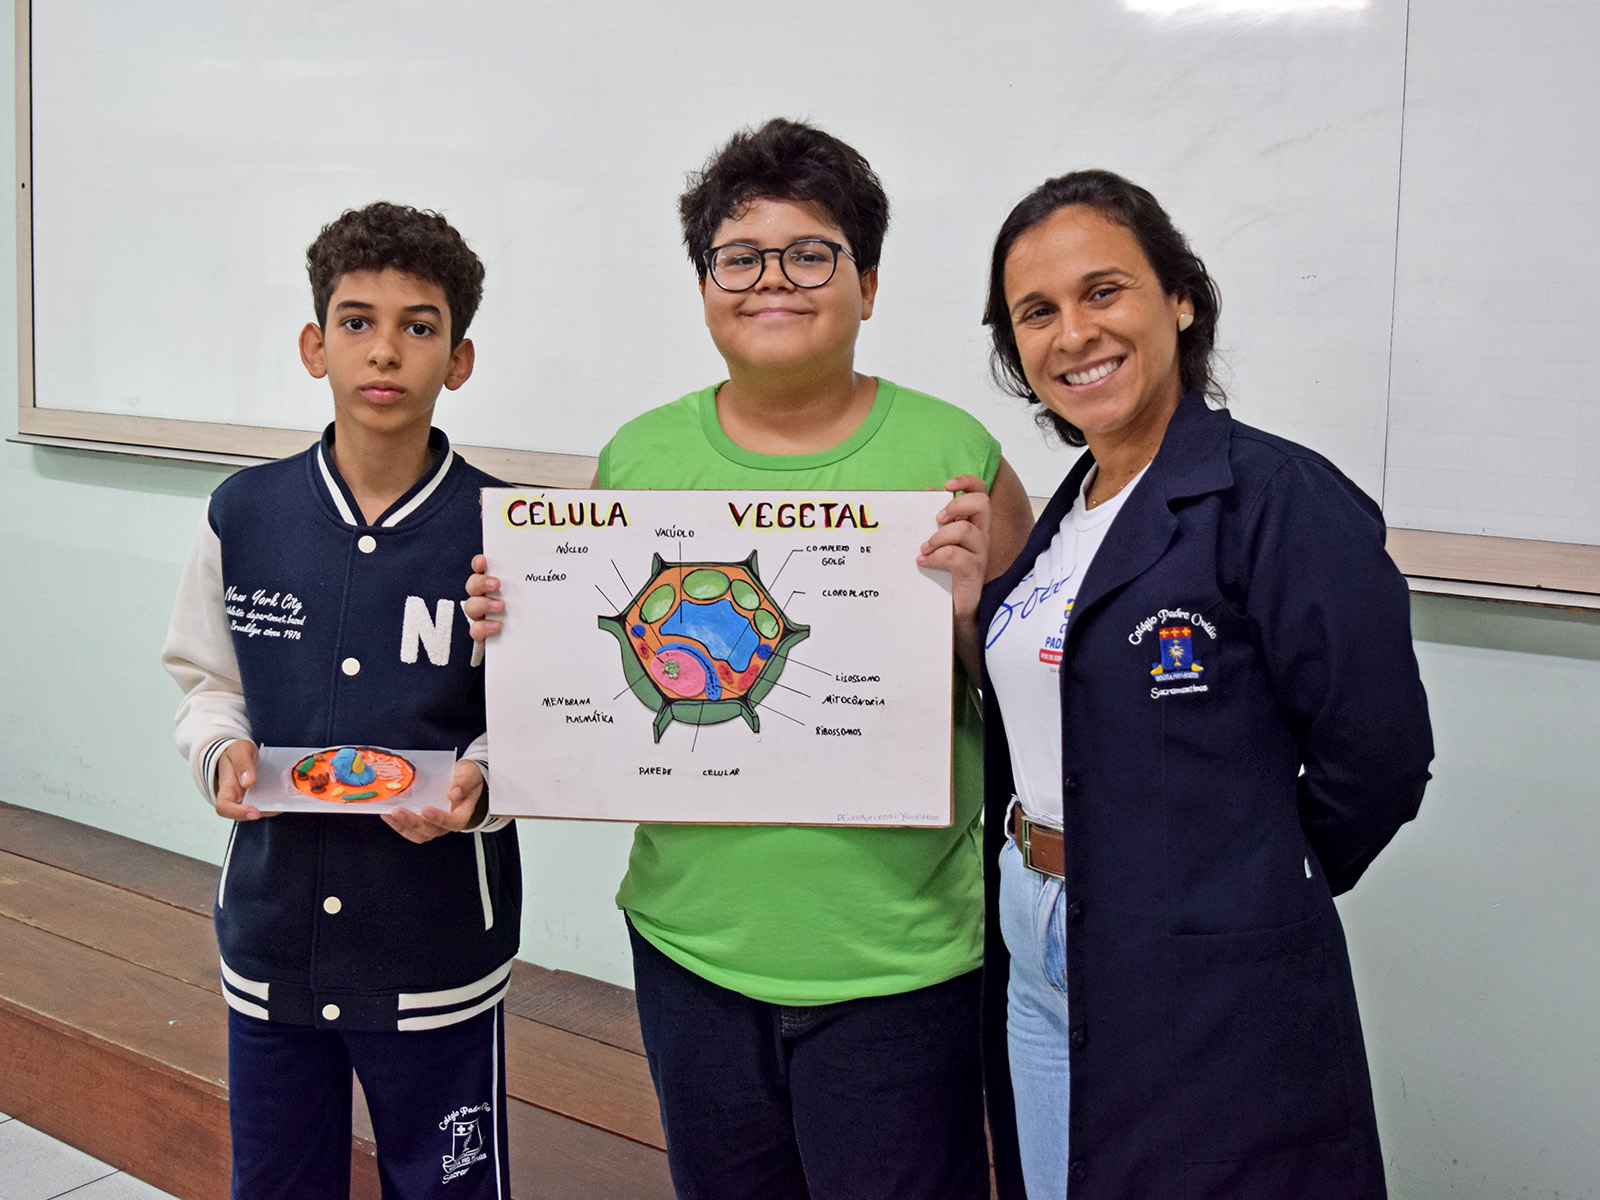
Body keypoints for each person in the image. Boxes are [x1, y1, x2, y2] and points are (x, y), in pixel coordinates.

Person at [468, 119, 1033, 1199]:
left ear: (868, 285)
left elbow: (1035, 702)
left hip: (903, 960)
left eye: (810, 253)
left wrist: (970, 620)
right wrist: (520, 621)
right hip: (691, 946)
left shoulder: (956, 457)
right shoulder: (640, 456)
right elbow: (601, 664)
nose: (773, 278)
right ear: (704, 288)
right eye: (740, 257)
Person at [976, 170, 1433, 1199]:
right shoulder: (1067, 514)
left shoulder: (1275, 495)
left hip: (1194, 962)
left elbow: (1381, 755)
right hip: (1034, 938)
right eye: (1036, 313)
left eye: (1104, 291)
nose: (1073, 334)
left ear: (1179, 298)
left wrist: (1244, 888)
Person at [162, 202, 520, 1200]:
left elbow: (538, 722)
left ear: (458, 359)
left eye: (419, 326)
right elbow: (207, 682)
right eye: (357, 322)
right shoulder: (245, 513)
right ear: (315, 345)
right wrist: (220, 752)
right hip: (272, 938)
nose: (385, 350)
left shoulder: (508, 532)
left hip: (437, 945)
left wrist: (480, 786)